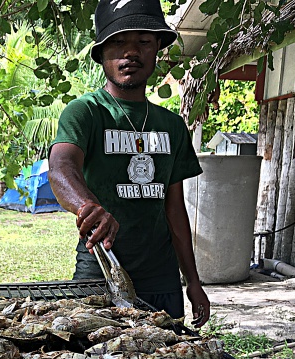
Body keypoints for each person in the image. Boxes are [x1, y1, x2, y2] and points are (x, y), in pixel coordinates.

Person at [48, 0, 210, 327]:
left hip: (161, 281)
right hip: (100, 271)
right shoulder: (86, 112)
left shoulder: (173, 126)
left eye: (144, 42)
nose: (131, 52)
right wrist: (87, 207)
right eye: (118, 42)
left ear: (156, 51)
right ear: (102, 53)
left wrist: (192, 281)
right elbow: (61, 167)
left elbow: (174, 210)